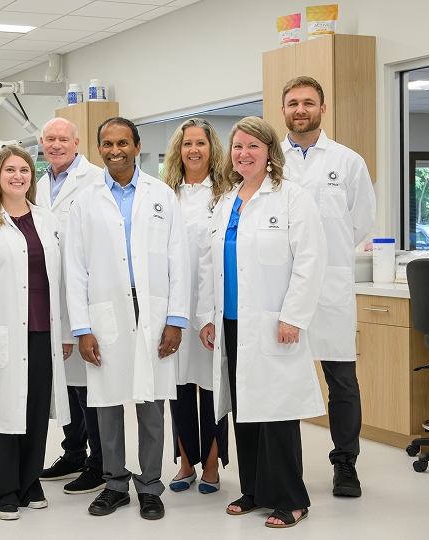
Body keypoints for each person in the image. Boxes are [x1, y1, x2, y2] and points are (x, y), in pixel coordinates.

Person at [197, 116, 327, 528]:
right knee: (244, 409)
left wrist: (293, 316)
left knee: (278, 411)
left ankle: (291, 498)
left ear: (270, 152)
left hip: (273, 322)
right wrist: (207, 316)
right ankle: (253, 489)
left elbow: (310, 260)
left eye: (253, 145)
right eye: (238, 146)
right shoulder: (227, 199)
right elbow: (209, 264)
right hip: (232, 322)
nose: (244, 153)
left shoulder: (291, 197)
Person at [65, 117, 190, 520]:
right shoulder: (85, 200)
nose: (115, 150)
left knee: (151, 404)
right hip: (106, 311)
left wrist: (176, 319)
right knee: (108, 403)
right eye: (107, 143)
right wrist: (82, 328)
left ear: (137, 146)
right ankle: (115, 484)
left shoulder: (161, 194)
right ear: (98, 148)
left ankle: (150, 486)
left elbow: (178, 260)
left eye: (123, 143)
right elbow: (75, 268)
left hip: (152, 309)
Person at [0, 145, 70, 521]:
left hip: (42, 331)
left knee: (33, 409)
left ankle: (28, 481)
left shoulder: (47, 220)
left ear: (31, 177)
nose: (18, 176)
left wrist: (66, 332)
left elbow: (61, 280)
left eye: (24, 170)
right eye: (10, 170)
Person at [279, 76, 376, 497]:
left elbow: (361, 221)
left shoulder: (348, 161)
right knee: (284, 379)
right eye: (293, 103)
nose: (300, 109)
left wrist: (325, 256)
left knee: (342, 382)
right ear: (283, 110)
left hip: (330, 286)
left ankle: (346, 464)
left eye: (308, 102)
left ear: (322, 109)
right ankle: (286, 469)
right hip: (282, 288)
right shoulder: (271, 159)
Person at [36, 117, 106, 494]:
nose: (56, 144)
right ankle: (74, 452)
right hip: (46, 296)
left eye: (63, 139)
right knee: (63, 384)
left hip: (83, 294)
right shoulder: (37, 183)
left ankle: (100, 463)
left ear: (77, 143)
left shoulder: (95, 179)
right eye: (50, 139)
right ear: (41, 142)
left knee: (86, 387)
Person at [161, 118, 229, 494]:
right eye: (187, 143)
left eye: (200, 143)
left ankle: (213, 463)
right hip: (174, 304)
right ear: (179, 150)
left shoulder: (226, 193)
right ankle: (186, 462)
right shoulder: (166, 194)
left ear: (211, 148)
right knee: (179, 385)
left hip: (212, 305)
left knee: (213, 384)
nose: (193, 150)